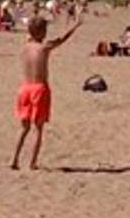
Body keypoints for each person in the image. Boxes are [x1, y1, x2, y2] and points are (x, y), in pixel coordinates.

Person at [11, 16, 81, 170]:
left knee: (24, 128)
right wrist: (74, 26)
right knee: (38, 128)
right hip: (39, 89)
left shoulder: (25, 48)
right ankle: (32, 162)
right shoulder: (44, 47)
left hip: (25, 88)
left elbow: (31, 36)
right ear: (42, 32)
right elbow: (61, 39)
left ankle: (15, 159)